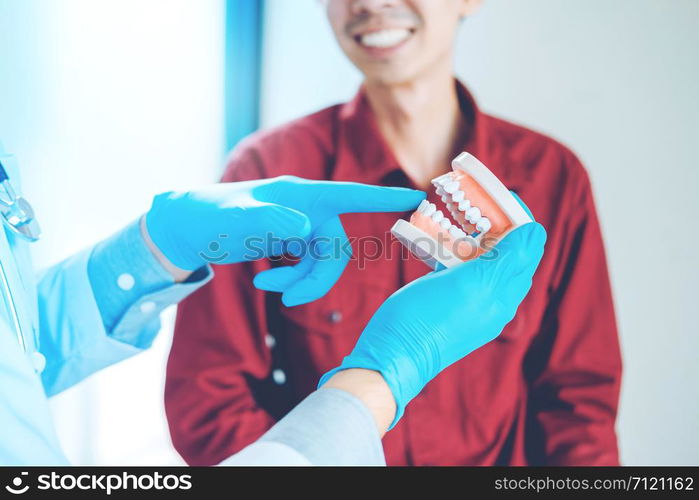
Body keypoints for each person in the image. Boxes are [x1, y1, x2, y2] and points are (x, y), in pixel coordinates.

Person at [167, 0, 622, 466]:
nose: (367, 3)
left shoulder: (553, 177)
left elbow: (579, 402)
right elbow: (209, 402)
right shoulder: (267, 173)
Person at [0, 141, 546, 465]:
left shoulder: (552, 170)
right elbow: (209, 412)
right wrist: (385, 376)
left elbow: (11, 363)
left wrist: (148, 250)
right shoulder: (267, 152)